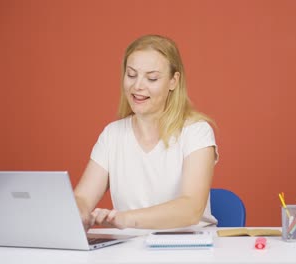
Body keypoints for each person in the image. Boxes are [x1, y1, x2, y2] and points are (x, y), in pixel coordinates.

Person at [74, 34, 219, 230]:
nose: (137, 86)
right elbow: (83, 197)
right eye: (131, 75)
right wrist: (78, 211)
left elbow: (190, 209)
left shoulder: (196, 132)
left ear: (173, 82)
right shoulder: (112, 135)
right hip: (130, 252)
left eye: (151, 78)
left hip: (187, 249)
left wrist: (127, 219)